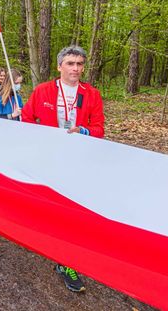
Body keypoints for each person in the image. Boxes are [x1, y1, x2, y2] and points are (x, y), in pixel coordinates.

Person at [21, 45, 105, 293]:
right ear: (59, 66)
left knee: (71, 210)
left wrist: (84, 131)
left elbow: (99, 129)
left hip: (78, 160)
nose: (75, 68)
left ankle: (66, 262)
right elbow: (26, 118)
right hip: (47, 159)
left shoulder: (92, 94)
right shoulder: (43, 90)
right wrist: (40, 140)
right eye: (70, 63)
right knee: (49, 205)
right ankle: (45, 242)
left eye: (79, 64)